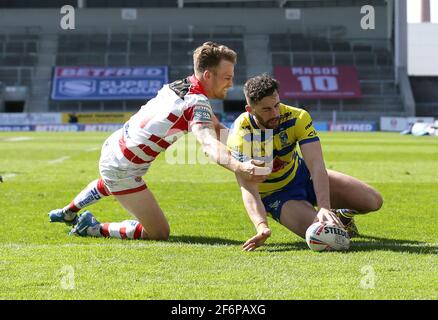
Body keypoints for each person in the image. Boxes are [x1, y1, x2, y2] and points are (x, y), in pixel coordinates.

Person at [48, 42, 270, 240]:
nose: (231, 83)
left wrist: (246, 146)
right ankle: (92, 228)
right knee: (158, 232)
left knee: (109, 180)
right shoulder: (197, 103)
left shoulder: (180, 86)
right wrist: (240, 166)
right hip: (123, 169)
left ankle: (69, 211)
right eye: (227, 77)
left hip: (114, 145)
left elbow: (218, 129)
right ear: (207, 75)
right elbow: (209, 144)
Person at [227, 74, 383, 251]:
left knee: (373, 201)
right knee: (327, 237)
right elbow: (248, 188)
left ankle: (343, 215)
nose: (275, 113)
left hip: (302, 175)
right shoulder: (241, 136)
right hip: (276, 195)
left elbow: (316, 164)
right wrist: (261, 226)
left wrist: (325, 207)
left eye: (277, 105)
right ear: (250, 109)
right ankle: (333, 222)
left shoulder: (297, 117)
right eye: (267, 109)